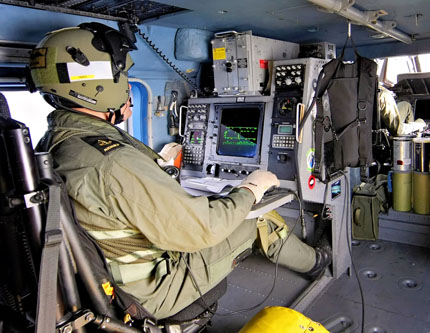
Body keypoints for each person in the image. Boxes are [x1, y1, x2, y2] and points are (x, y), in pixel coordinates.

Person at [30, 23, 331, 319]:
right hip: (153, 288)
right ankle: (317, 262)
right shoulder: (112, 162)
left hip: (103, 277)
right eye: (122, 76)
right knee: (258, 215)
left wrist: (157, 165)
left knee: (230, 204)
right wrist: (251, 188)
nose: (126, 85)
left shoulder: (58, 143)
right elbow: (203, 229)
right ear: (98, 84)